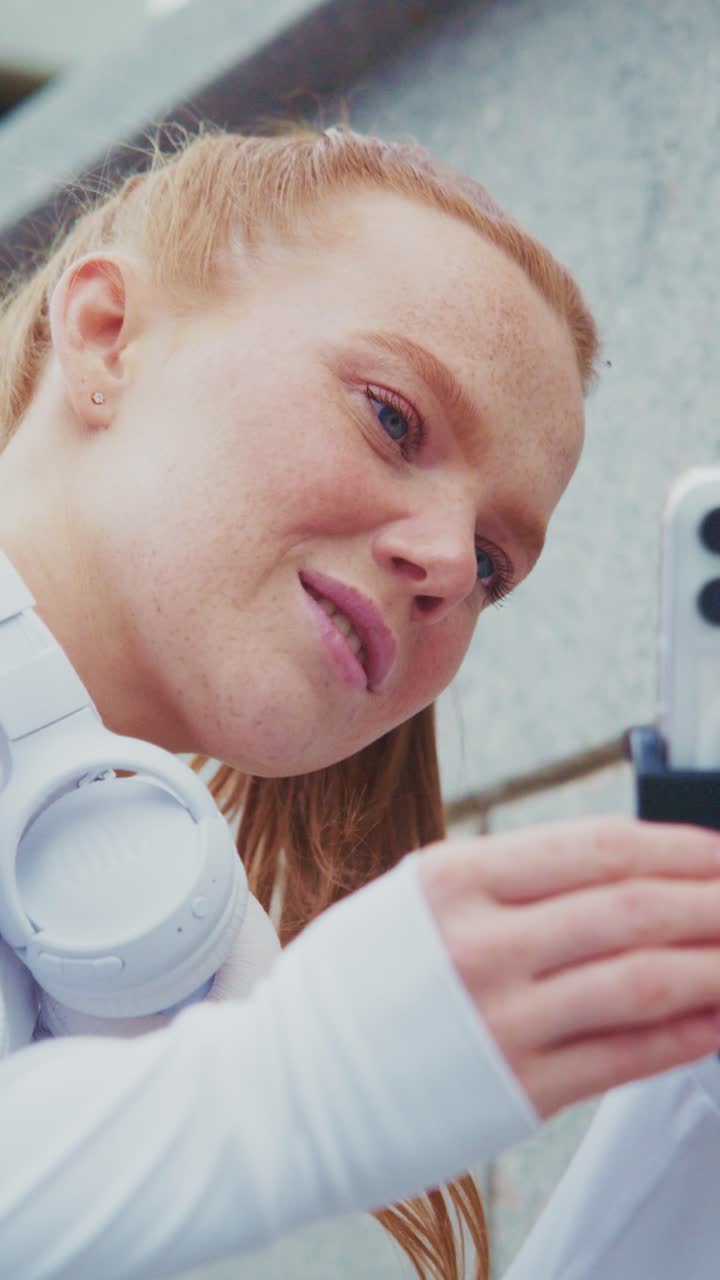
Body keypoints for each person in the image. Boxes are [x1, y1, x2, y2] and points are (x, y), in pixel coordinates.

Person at [2, 123, 720, 1280]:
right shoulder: (275, 1060)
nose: (446, 559)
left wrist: (691, 1094)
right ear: (106, 335)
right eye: (392, 417)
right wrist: (302, 1084)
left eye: (495, 564)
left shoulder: (209, 973)